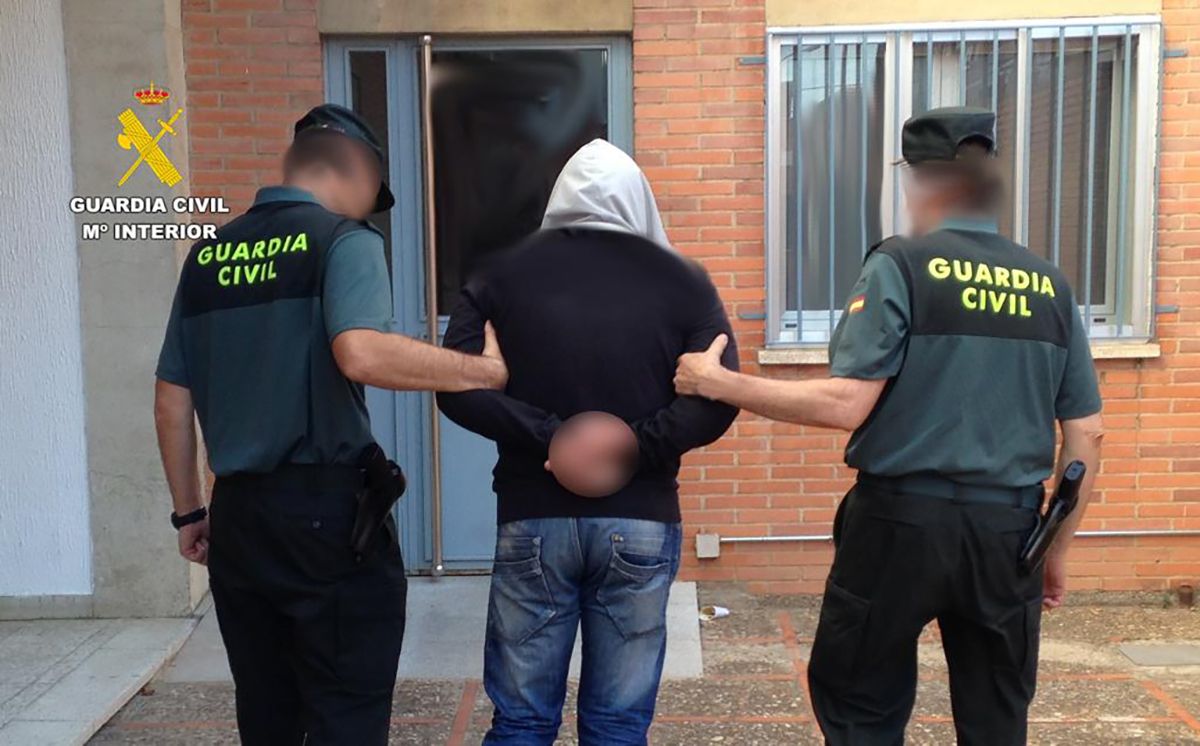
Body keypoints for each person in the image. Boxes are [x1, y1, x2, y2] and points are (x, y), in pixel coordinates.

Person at [675, 107, 1104, 745]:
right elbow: (1087, 435)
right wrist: (1054, 550)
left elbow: (847, 403)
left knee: (861, 704)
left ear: (920, 180)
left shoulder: (901, 264)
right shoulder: (1050, 286)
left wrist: (720, 384)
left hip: (900, 524)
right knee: (996, 715)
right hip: (1009, 530)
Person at [153, 103, 508, 746]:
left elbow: (171, 399)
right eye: (373, 194)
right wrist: (481, 372)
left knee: (267, 712)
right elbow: (362, 352)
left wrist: (189, 513)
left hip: (239, 517)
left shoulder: (205, 257)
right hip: (324, 518)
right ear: (350, 171)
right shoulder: (343, 240)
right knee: (346, 710)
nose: (371, 210)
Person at [437, 139, 740, 745]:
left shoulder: (498, 276)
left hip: (532, 517)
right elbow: (720, 395)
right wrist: (633, 447)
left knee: (521, 720)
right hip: (641, 519)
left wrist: (553, 438)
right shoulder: (682, 282)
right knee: (618, 723)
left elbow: (453, 385)